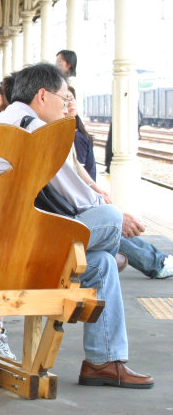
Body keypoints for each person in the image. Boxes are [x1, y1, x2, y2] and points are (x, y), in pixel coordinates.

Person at [0, 62, 153, 388]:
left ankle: (104, 362)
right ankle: (121, 250)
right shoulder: (37, 131)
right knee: (110, 218)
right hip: (19, 252)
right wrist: (118, 220)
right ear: (42, 96)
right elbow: (81, 201)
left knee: (102, 263)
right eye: (63, 100)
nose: (66, 107)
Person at [67, 93, 172, 280]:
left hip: (77, 204)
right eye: (63, 98)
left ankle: (159, 260)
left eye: (71, 98)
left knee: (115, 225)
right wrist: (95, 198)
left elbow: (75, 171)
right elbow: (71, 180)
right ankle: (156, 263)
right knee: (112, 225)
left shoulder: (71, 134)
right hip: (72, 210)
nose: (68, 104)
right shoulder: (69, 137)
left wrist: (95, 190)